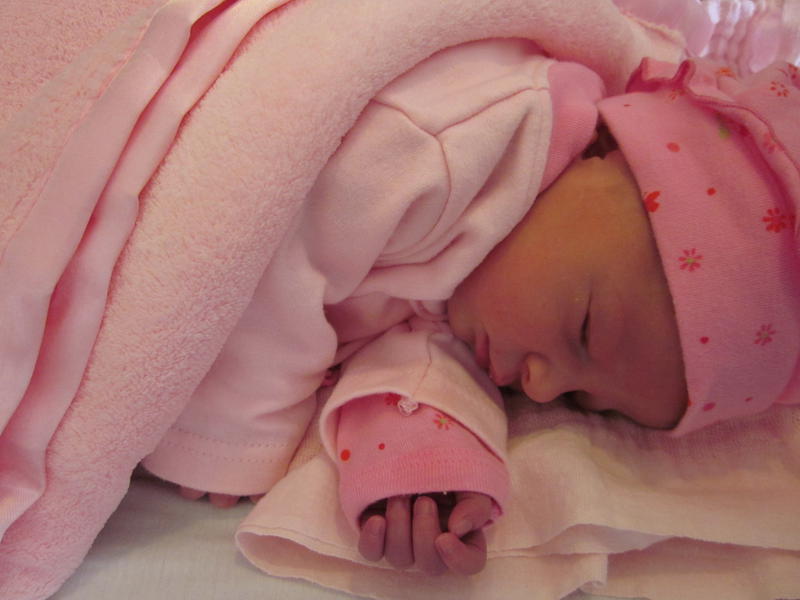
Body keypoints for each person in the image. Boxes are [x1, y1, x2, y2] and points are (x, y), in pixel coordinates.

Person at [143, 38, 800, 576]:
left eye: (585, 401)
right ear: (603, 149)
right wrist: (234, 429)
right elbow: (281, 226)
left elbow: (416, 338)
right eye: (584, 331)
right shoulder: (464, 137)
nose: (539, 386)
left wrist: (423, 465)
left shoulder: (500, 268)